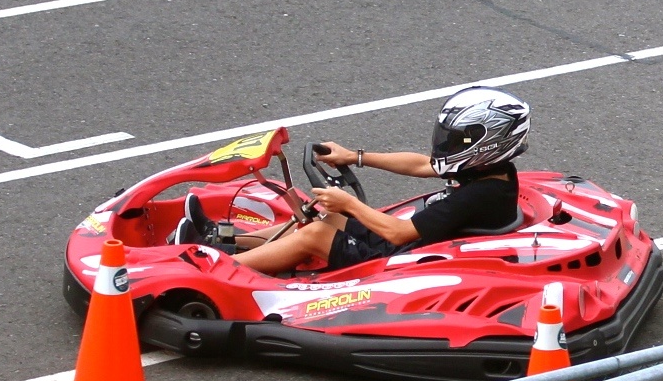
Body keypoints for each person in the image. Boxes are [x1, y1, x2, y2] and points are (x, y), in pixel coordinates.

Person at [179, 87, 531, 274]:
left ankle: (215, 269)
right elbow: (422, 164)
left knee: (317, 234)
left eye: (462, 140)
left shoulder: (483, 194)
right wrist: (354, 157)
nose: (450, 145)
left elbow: (398, 234)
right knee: (323, 217)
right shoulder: (486, 170)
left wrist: (351, 204)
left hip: (404, 260)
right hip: (413, 243)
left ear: (492, 143)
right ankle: (223, 240)